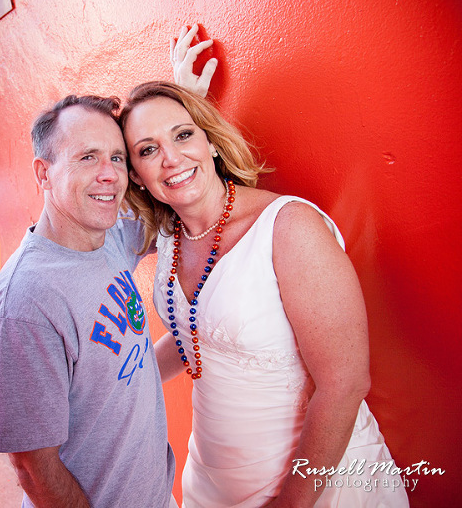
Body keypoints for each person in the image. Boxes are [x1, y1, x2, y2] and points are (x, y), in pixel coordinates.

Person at [119, 76, 410, 507]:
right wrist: (118, 383)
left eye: (183, 135)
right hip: (210, 477)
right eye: (148, 150)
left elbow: (344, 384)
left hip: (311, 484)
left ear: (211, 143)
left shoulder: (289, 227)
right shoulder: (169, 237)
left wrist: (291, 503)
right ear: (137, 176)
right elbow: (195, 334)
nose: (171, 158)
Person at [0, 95, 175, 507]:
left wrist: (181, 102)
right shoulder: (23, 306)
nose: (110, 175)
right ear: (43, 174)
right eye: (87, 157)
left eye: (117, 158)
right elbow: (34, 469)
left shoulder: (111, 236)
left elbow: (179, 206)